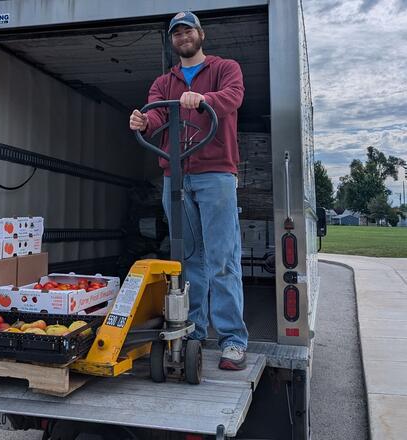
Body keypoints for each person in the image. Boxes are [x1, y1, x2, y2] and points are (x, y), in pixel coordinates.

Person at [129, 11, 248, 370]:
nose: (182, 36)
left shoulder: (225, 68)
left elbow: (232, 98)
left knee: (222, 258)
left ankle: (232, 339)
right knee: (189, 259)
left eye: (188, 30)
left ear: (201, 34)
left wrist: (202, 99)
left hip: (216, 174)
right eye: (176, 32)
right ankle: (194, 330)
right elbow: (157, 118)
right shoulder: (165, 82)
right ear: (172, 40)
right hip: (176, 175)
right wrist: (144, 120)